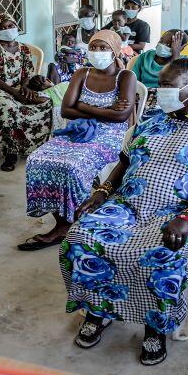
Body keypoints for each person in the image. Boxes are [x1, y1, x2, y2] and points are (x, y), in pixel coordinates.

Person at [61, 58, 188, 366]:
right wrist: (102, 193)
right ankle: (99, 310)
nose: (158, 93)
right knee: (80, 237)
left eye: (166, 86)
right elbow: (125, 163)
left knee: (161, 253)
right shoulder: (154, 120)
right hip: (129, 205)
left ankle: (154, 326)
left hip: (183, 212)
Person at [20, 30, 136, 251]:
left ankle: (78, 219)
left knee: (73, 165)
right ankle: (63, 223)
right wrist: (103, 109)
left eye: (103, 48)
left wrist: (81, 107)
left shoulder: (125, 77)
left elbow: (121, 116)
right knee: (37, 159)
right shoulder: (82, 73)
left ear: (114, 50)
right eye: (93, 47)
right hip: (79, 131)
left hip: (111, 135)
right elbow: (66, 110)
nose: (97, 52)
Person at [0, 12, 53, 172]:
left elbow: (27, 73)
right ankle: (10, 153)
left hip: (20, 87)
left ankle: (38, 147)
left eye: (10, 25)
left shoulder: (24, 49)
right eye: (2, 27)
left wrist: (24, 88)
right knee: (9, 107)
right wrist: (15, 93)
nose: (7, 29)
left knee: (46, 102)